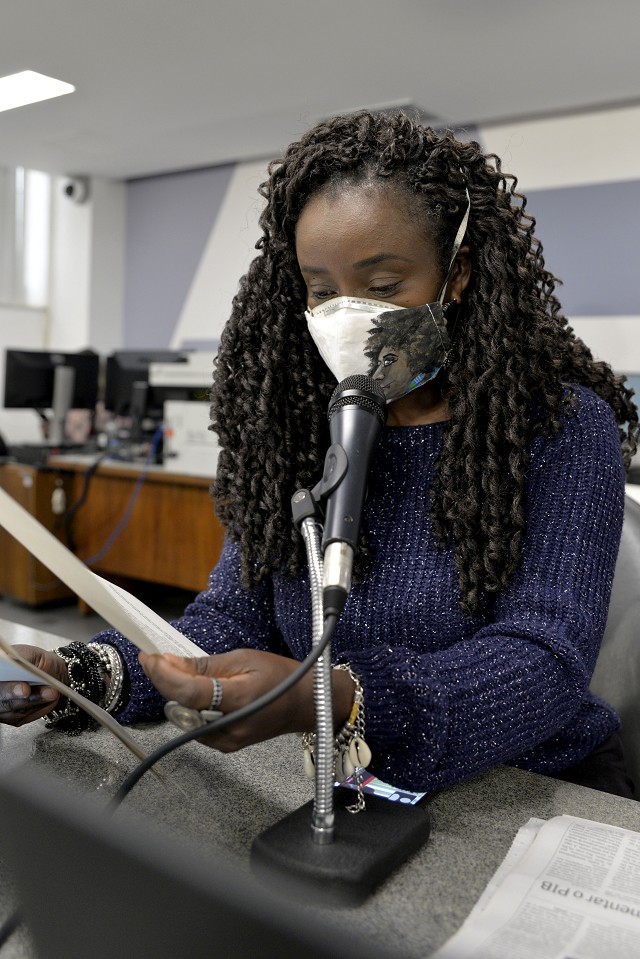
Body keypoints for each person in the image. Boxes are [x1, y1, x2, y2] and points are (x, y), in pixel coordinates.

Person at [1, 111, 638, 799]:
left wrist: (338, 698)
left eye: (384, 286)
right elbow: (232, 618)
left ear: (457, 274)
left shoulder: (563, 427)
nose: (349, 316)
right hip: (347, 769)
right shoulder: (299, 428)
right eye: (323, 291)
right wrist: (85, 674)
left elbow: (545, 660)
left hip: (532, 780)